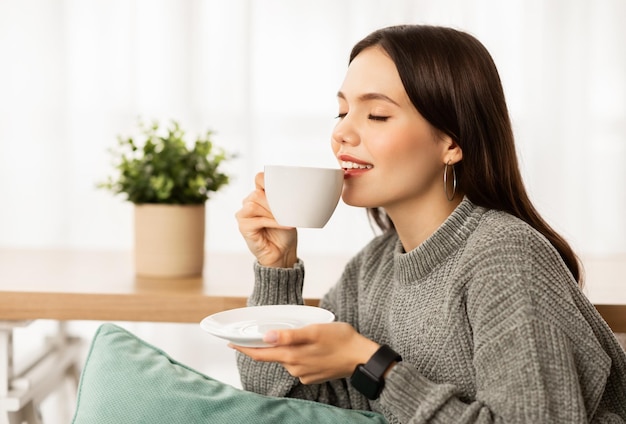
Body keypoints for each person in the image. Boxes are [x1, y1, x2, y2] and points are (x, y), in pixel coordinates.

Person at [233, 24, 626, 423]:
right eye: (342, 111)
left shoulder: (506, 256)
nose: (340, 132)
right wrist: (277, 267)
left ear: (451, 143)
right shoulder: (371, 269)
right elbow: (285, 403)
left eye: (377, 114)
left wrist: (372, 366)